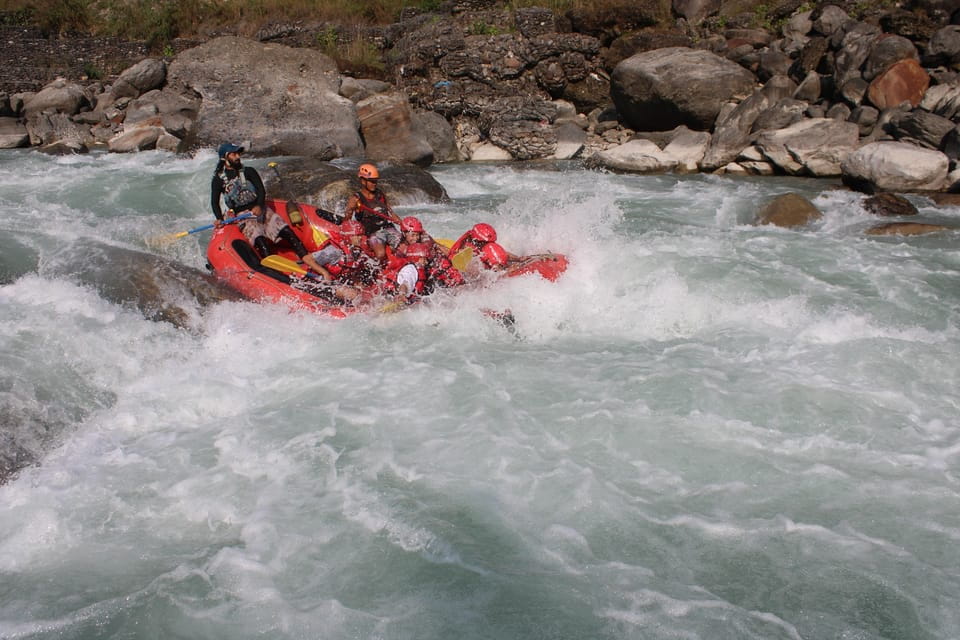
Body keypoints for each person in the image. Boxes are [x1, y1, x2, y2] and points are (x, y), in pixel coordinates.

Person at [210, 142, 311, 261]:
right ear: (225, 157)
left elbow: (261, 190)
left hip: (261, 209)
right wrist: (219, 218)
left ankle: (306, 257)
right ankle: (272, 268)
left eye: (238, 153)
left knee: (286, 230)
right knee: (259, 239)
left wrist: (259, 205)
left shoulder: (249, 171)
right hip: (243, 216)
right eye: (233, 154)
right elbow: (214, 202)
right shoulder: (218, 180)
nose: (237, 157)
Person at [343, 163, 402, 262]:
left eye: (375, 181)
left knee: (404, 247)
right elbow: (346, 222)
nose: (374, 184)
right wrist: (349, 210)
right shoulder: (356, 198)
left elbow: (391, 212)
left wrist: (402, 224)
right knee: (380, 254)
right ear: (363, 181)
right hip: (372, 233)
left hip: (388, 228)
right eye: (371, 181)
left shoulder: (380, 194)